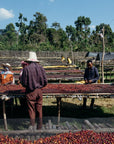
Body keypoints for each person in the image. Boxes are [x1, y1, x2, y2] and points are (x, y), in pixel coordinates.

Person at [20, 51, 47, 131]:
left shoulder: (26, 69)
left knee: (32, 109)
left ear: (29, 61)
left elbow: (24, 82)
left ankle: (32, 126)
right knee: (39, 109)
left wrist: (27, 86)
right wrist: (40, 86)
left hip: (30, 91)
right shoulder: (41, 68)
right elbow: (45, 81)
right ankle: (39, 126)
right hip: (39, 91)